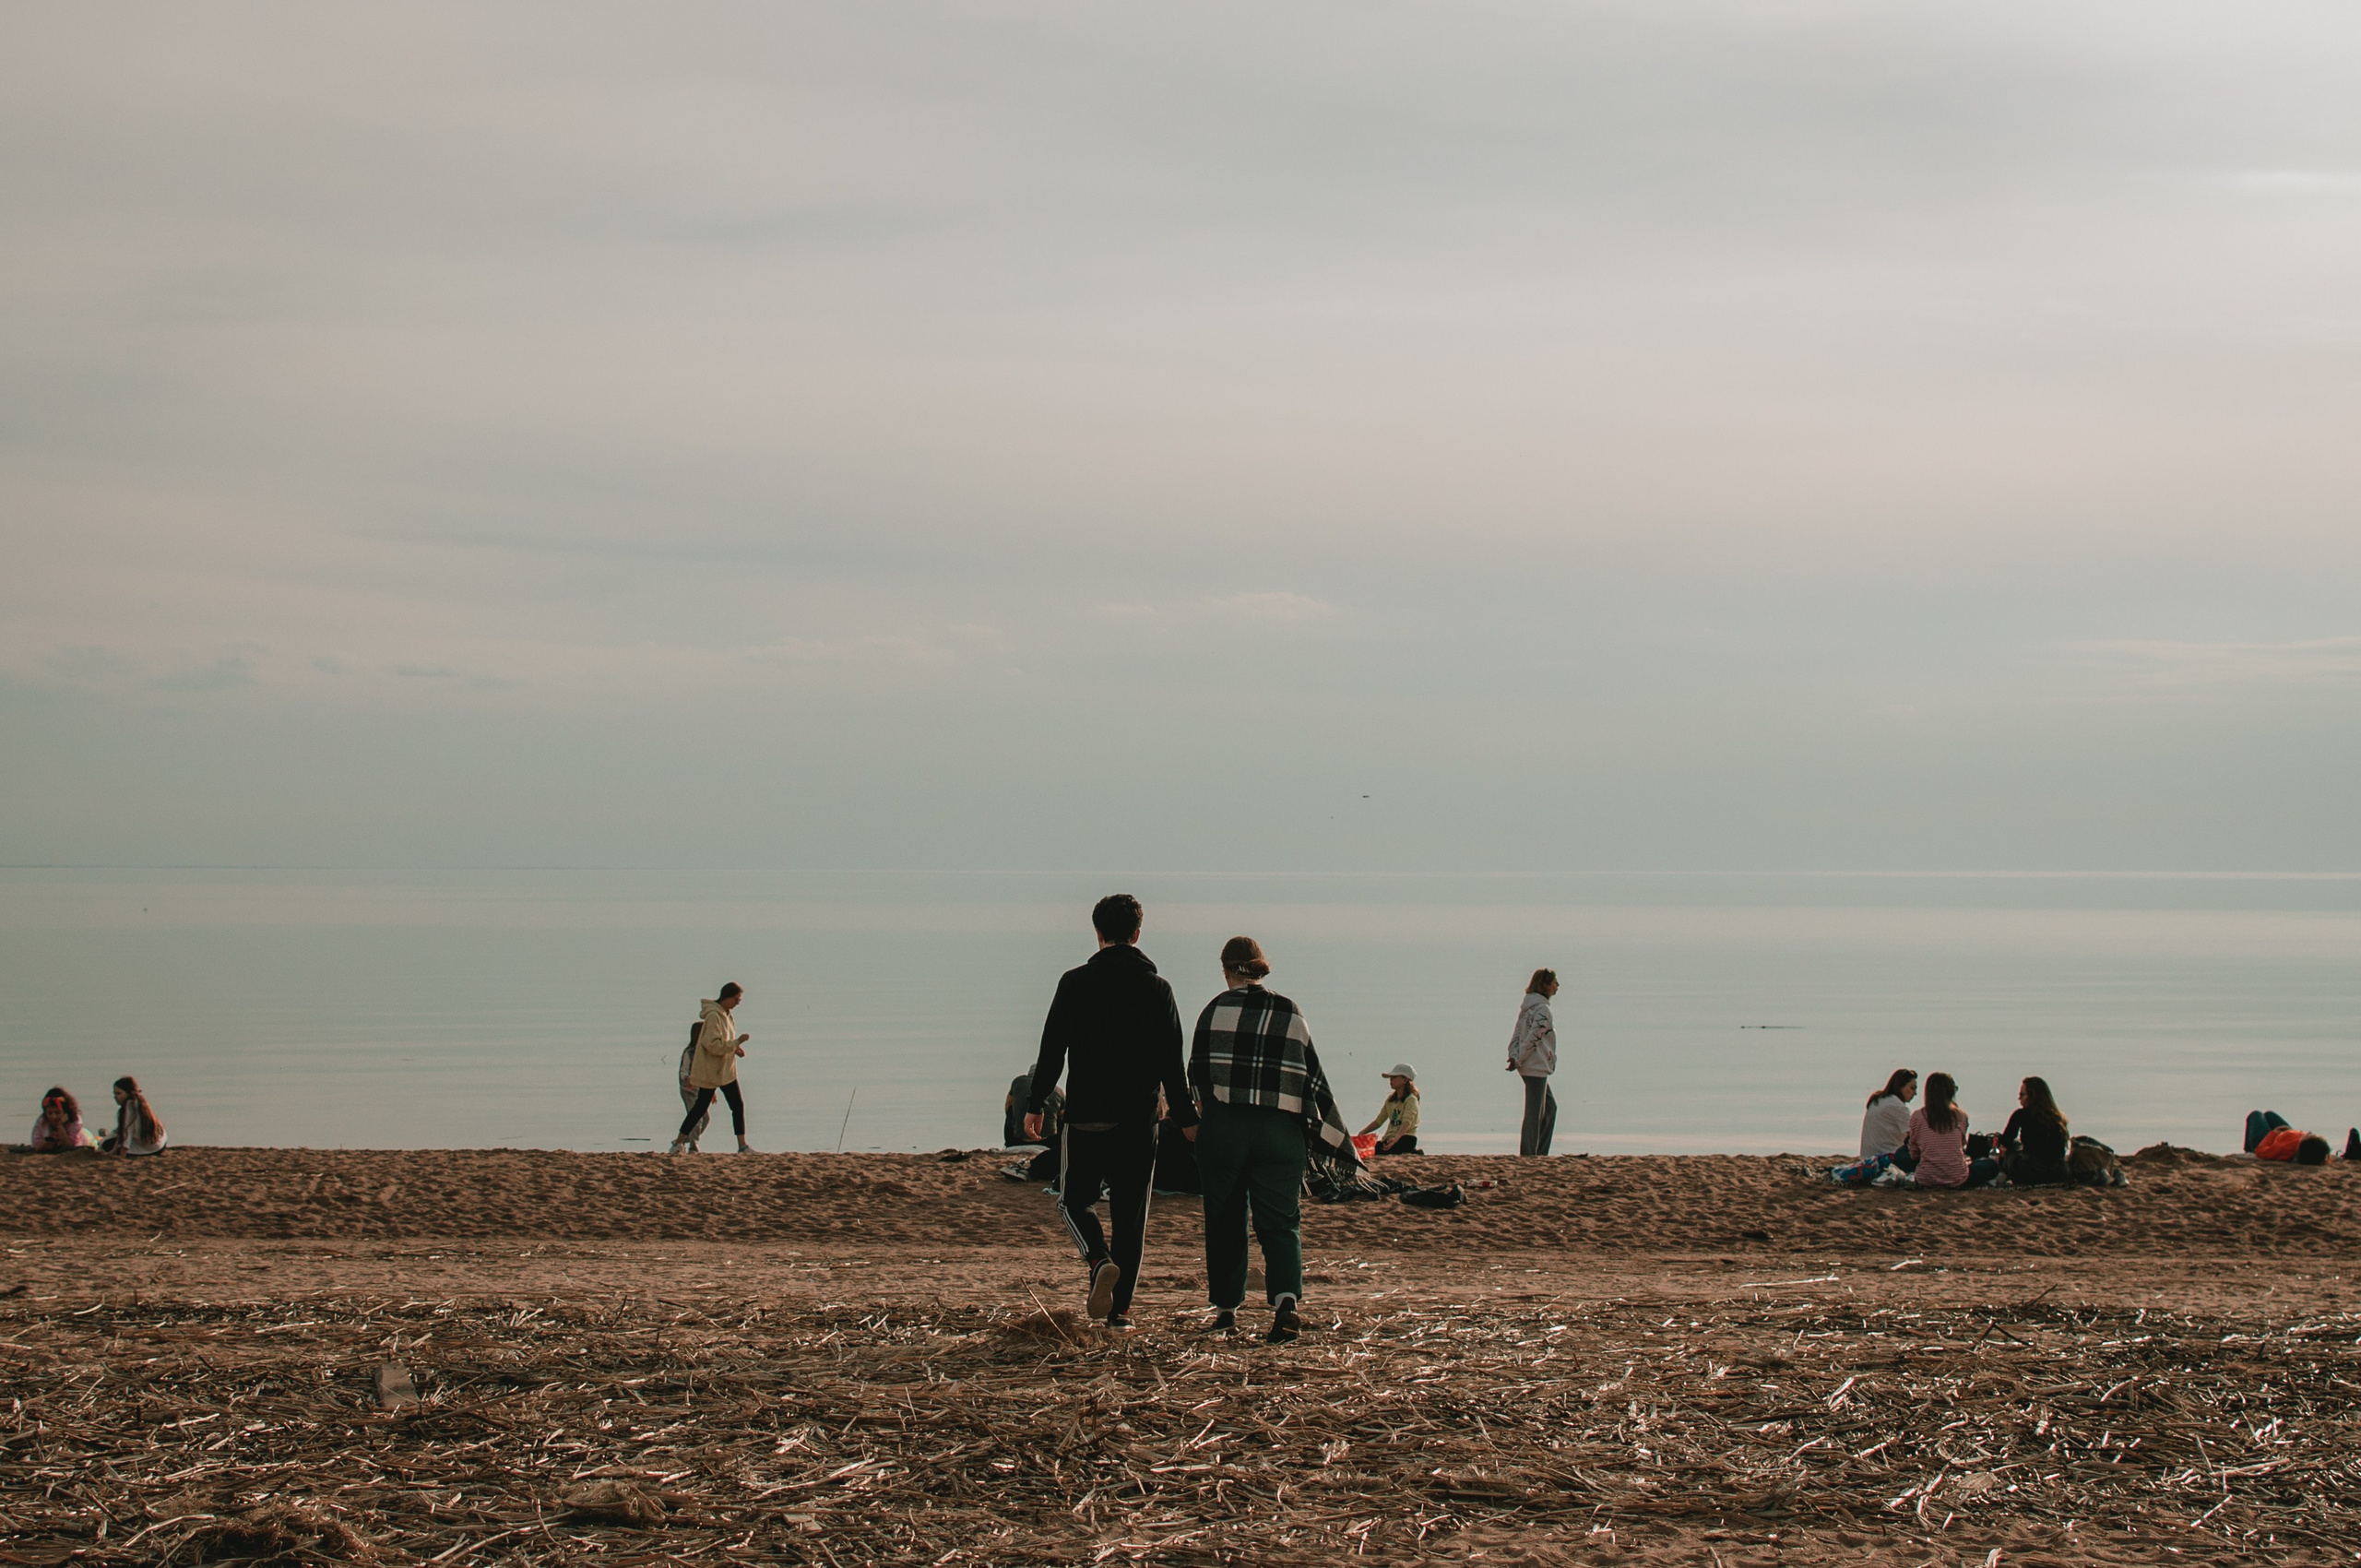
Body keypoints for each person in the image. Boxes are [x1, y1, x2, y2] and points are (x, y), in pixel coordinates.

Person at [1023, 895, 1199, 1329]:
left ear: (1098, 933)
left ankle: (1098, 1259)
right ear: (1138, 934)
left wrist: (1036, 1104)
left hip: (1086, 1116)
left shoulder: (1074, 983)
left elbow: (1052, 1051)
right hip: (1139, 1121)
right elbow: (1172, 1065)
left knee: (1073, 1202)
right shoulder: (1159, 990)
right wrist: (1188, 1118)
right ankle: (1120, 1314)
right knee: (1130, 1216)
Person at [1190, 935, 1354, 1344]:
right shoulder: (1289, 1011)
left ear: (1226, 969)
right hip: (1281, 1132)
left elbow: (1197, 1077)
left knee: (1225, 1219)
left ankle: (1226, 1312)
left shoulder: (1213, 1011)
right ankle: (1285, 1304)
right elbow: (1309, 1077)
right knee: (1281, 1222)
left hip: (1226, 1128)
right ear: (1261, 968)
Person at [670, 983, 751, 1155]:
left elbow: (723, 1041)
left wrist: (735, 1050)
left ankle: (742, 1145)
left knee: (737, 1105)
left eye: (739, 1000)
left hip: (725, 1070)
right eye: (736, 999)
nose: (737, 1003)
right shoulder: (714, 1016)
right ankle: (678, 1143)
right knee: (700, 1108)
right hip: (713, 1071)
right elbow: (712, 1045)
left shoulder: (727, 1015)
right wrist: (737, 1042)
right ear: (727, 997)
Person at [1907, 1072, 1999, 1189]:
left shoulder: (1917, 1116)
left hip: (1926, 1179)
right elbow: (1961, 1145)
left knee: (1902, 1153)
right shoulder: (1961, 1116)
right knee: (1990, 1165)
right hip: (1957, 1178)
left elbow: (1914, 1154)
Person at [1507, 968, 1560, 1157]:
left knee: (1550, 1109)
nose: (1557, 986)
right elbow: (1532, 1038)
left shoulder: (1527, 1009)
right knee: (1534, 1115)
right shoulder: (1542, 1010)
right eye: (1554, 982)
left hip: (1530, 1065)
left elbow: (1517, 1036)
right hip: (1535, 1066)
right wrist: (1518, 1058)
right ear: (1544, 985)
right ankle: (1529, 1155)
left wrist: (1514, 1056)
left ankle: (1540, 1152)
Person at [1994, 1076, 2070, 1186]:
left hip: (2031, 1173)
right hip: (2059, 1172)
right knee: (2017, 1146)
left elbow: (2006, 1141)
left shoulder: (2021, 1115)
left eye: (2022, 1095)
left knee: (2011, 1150)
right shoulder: (2058, 1118)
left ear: (2032, 1096)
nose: (2019, 1099)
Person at [1358, 1064, 1422, 1155]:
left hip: (1406, 1138)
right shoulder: (1390, 1100)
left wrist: (1396, 1139)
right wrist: (1363, 1132)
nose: (1391, 1080)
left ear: (1405, 1080)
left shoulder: (1411, 1100)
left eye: (1394, 1077)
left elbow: (1406, 1123)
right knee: (1373, 1149)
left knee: (1384, 1151)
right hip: (1390, 1138)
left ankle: (1415, 1152)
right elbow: (1379, 1121)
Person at [101, 1076, 168, 1157]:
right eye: (114, 1094)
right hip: (161, 1145)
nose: (115, 1097)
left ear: (129, 1093)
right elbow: (123, 1130)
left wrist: (122, 1155)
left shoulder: (129, 1106)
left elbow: (127, 1132)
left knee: (107, 1144)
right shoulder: (141, 1103)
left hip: (149, 1149)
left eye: (119, 1093)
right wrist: (114, 1150)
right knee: (113, 1140)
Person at [1859, 1070, 1917, 1160]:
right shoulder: (1897, 1106)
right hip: (1887, 1157)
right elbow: (1916, 1136)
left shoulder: (1879, 1100)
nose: (1915, 1093)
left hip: (1867, 1157)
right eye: (1912, 1088)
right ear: (1900, 1087)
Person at [2244, 1111, 2331, 1165]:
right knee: (2269, 1114)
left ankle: (2248, 1152)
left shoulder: (2283, 1148)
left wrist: (2273, 1134)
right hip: (2285, 1134)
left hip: (2268, 1140)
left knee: (2255, 1114)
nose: (2308, 1133)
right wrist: (2289, 1132)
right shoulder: (2314, 1147)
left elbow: (2261, 1151)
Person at [29, 1087, 97, 1153]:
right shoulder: (42, 1122)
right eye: (50, 1113)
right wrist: (44, 1147)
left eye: (57, 1113)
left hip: (86, 1138)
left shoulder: (75, 1121)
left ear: (65, 1112)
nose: (54, 1117)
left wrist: (61, 1127)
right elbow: (36, 1144)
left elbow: (71, 1147)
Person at [677, 1034, 710, 1153]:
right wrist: (687, 1079)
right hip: (688, 1090)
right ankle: (693, 1144)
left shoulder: (704, 1053)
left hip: (700, 1090)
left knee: (706, 1118)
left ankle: (682, 1140)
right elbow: (683, 1071)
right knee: (697, 1118)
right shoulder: (689, 1053)